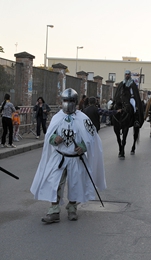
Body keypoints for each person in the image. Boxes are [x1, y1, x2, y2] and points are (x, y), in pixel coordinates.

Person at [30, 88, 106, 223]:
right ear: (62, 101)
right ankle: (54, 210)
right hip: (59, 157)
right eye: (66, 100)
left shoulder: (83, 119)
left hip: (75, 159)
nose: (68, 103)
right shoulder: (57, 117)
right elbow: (49, 135)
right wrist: (54, 138)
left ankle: (72, 208)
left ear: (76, 102)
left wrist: (82, 147)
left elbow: (90, 137)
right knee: (54, 183)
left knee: (75, 184)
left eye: (71, 101)